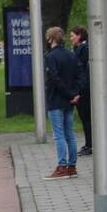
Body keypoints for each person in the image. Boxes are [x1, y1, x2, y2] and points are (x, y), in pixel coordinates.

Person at [43, 26, 79, 180]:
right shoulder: (71, 55)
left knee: (58, 135)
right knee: (70, 134)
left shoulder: (50, 57)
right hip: (70, 101)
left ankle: (61, 167)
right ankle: (72, 167)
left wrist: (67, 93)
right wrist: (75, 94)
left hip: (56, 99)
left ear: (50, 38)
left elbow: (55, 79)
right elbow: (79, 75)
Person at [70, 26, 92, 156]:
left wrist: (79, 89)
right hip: (83, 88)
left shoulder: (83, 50)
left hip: (83, 89)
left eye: (72, 35)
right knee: (86, 118)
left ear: (79, 36)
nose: (71, 38)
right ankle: (89, 143)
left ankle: (89, 144)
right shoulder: (79, 49)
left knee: (86, 117)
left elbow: (82, 71)